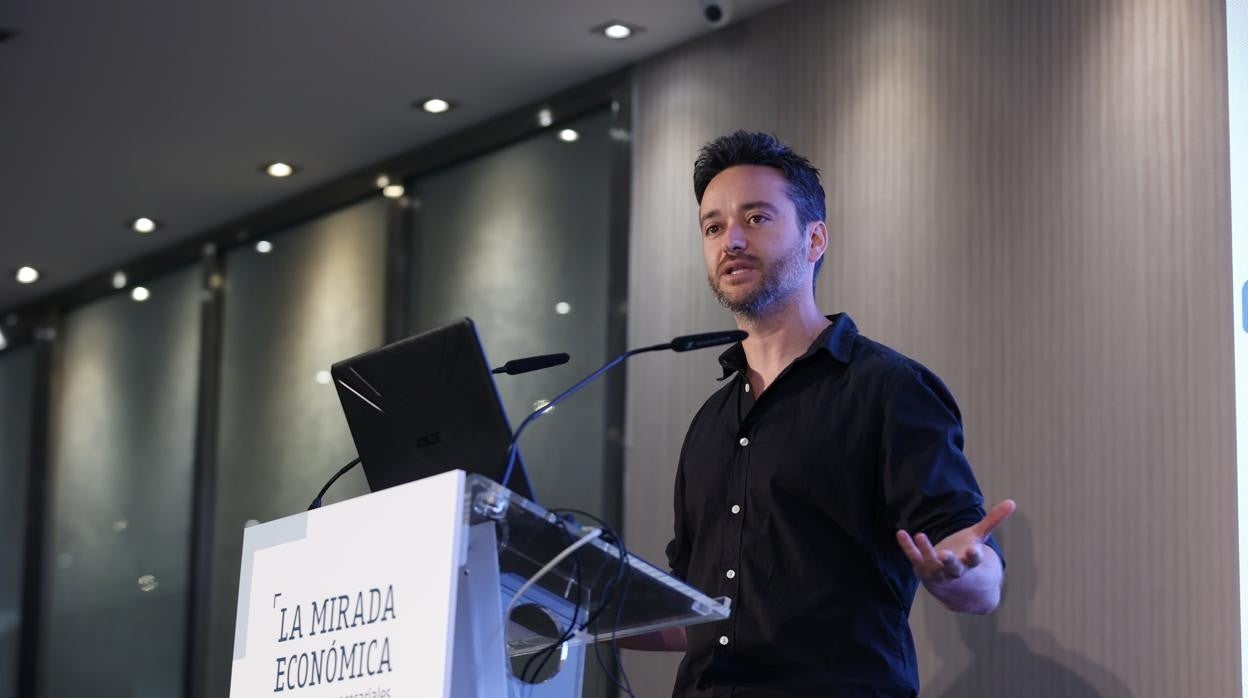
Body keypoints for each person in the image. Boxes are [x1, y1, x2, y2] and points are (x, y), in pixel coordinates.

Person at [630, 131, 1015, 698]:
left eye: (756, 218)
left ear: (815, 239)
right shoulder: (709, 423)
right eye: (713, 227)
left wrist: (964, 573)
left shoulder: (888, 389)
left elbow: (976, 576)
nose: (731, 239)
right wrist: (567, 609)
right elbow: (695, 616)